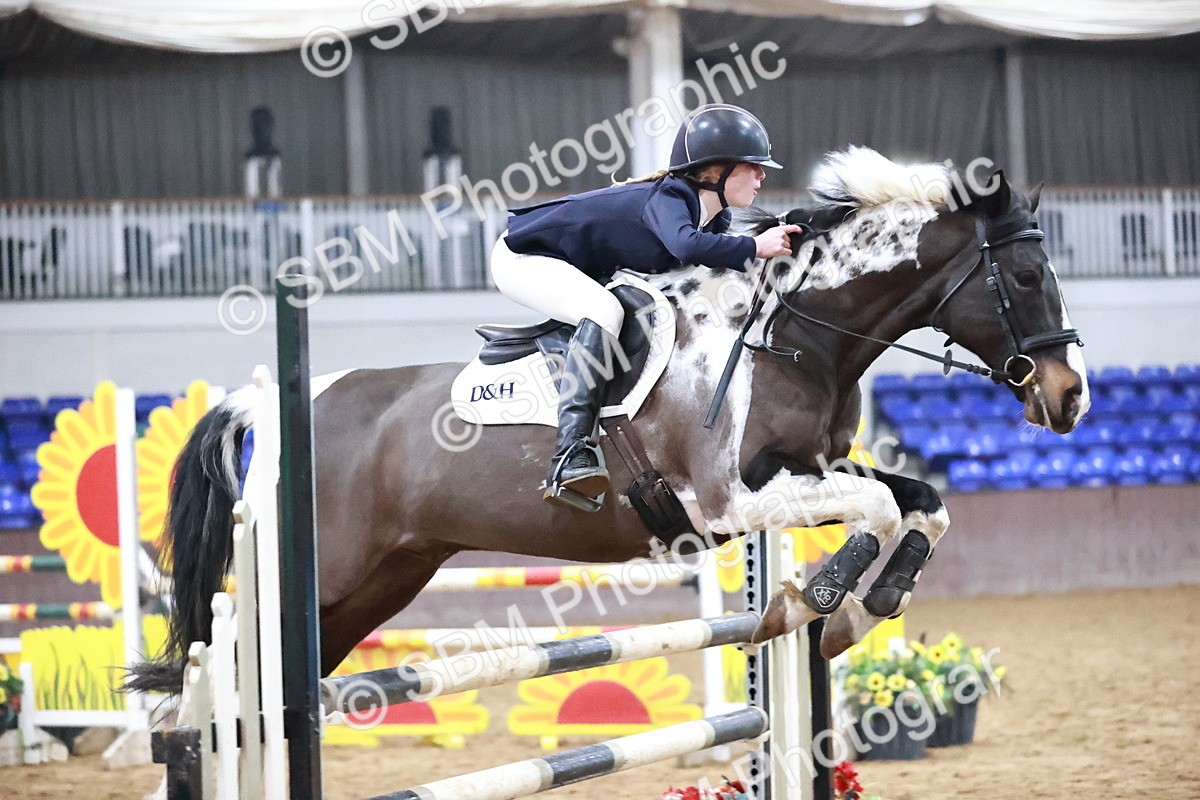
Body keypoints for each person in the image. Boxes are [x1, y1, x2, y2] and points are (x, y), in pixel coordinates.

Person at [492, 103, 801, 509]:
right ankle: (570, 453)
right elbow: (686, 246)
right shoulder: (673, 197)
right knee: (604, 312)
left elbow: (708, 266)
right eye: (752, 166)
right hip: (522, 258)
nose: (762, 174)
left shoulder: (715, 218)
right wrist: (755, 247)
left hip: (574, 264)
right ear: (716, 170)